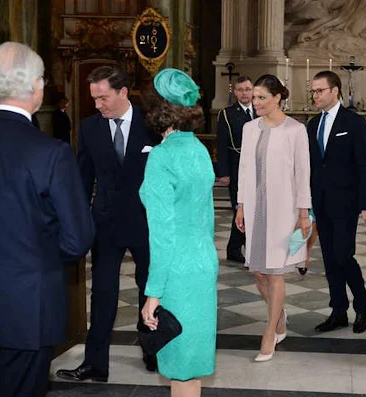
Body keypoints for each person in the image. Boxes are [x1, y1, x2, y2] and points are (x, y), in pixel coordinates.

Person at [0, 42, 94, 397]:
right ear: (36, 86)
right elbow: (78, 237)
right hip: (27, 309)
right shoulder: (50, 153)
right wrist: (39, 262)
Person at [56, 66, 160, 382]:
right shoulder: (89, 128)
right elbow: (83, 177)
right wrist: (78, 221)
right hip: (106, 224)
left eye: (103, 98)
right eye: (95, 99)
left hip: (146, 223)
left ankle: (153, 350)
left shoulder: (152, 123)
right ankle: (95, 364)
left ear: (122, 92)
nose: (98, 105)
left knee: (150, 290)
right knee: (102, 294)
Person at [139, 68, 218, 397]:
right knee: (192, 364)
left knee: (181, 369)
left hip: (176, 275)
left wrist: (153, 294)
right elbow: (207, 217)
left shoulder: (161, 158)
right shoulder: (199, 150)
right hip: (203, 265)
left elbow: (162, 235)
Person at [235, 74, 311, 361]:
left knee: (275, 272)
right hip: (255, 208)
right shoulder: (249, 128)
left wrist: (303, 214)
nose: (256, 103)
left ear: (278, 97)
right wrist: (241, 205)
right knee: (258, 271)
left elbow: (303, 174)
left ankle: (269, 332)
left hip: (283, 210)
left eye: (262, 97)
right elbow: (243, 168)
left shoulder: (295, 130)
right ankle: (279, 316)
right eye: (254, 98)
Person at [307, 70, 366, 334]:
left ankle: (362, 308)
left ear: (334, 91)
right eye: (313, 91)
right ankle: (338, 311)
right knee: (328, 258)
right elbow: (312, 166)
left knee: (343, 256)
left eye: (320, 90)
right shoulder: (312, 124)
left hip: (346, 202)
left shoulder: (354, 123)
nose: (315, 95)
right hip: (321, 202)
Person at [216, 76, 255, 264]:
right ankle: (243, 248)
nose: (245, 93)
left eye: (248, 89)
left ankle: (234, 248)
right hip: (237, 166)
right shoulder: (227, 114)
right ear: (235, 92)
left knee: (252, 209)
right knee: (241, 208)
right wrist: (223, 172)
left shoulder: (261, 111)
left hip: (258, 167)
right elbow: (221, 144)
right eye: (241, 89)